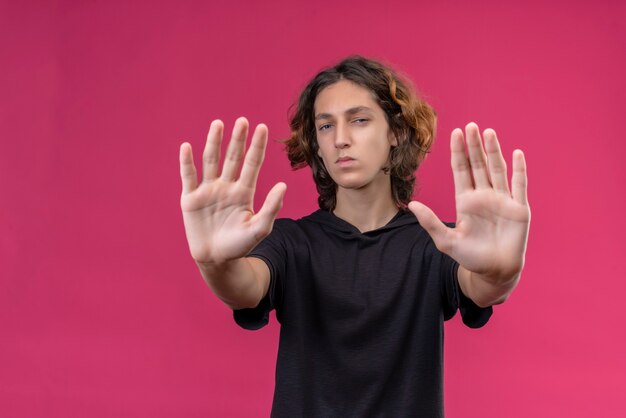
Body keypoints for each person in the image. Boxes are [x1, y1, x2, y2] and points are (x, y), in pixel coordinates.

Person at [178, 56, 530, 417]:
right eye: (325, 126)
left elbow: (482, 286)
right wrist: (214, 264)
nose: (340, 140)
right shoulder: (291, 242)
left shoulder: (437, 243)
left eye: (359, 120)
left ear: (396, 132)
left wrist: (500, 273)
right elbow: (244, 287)